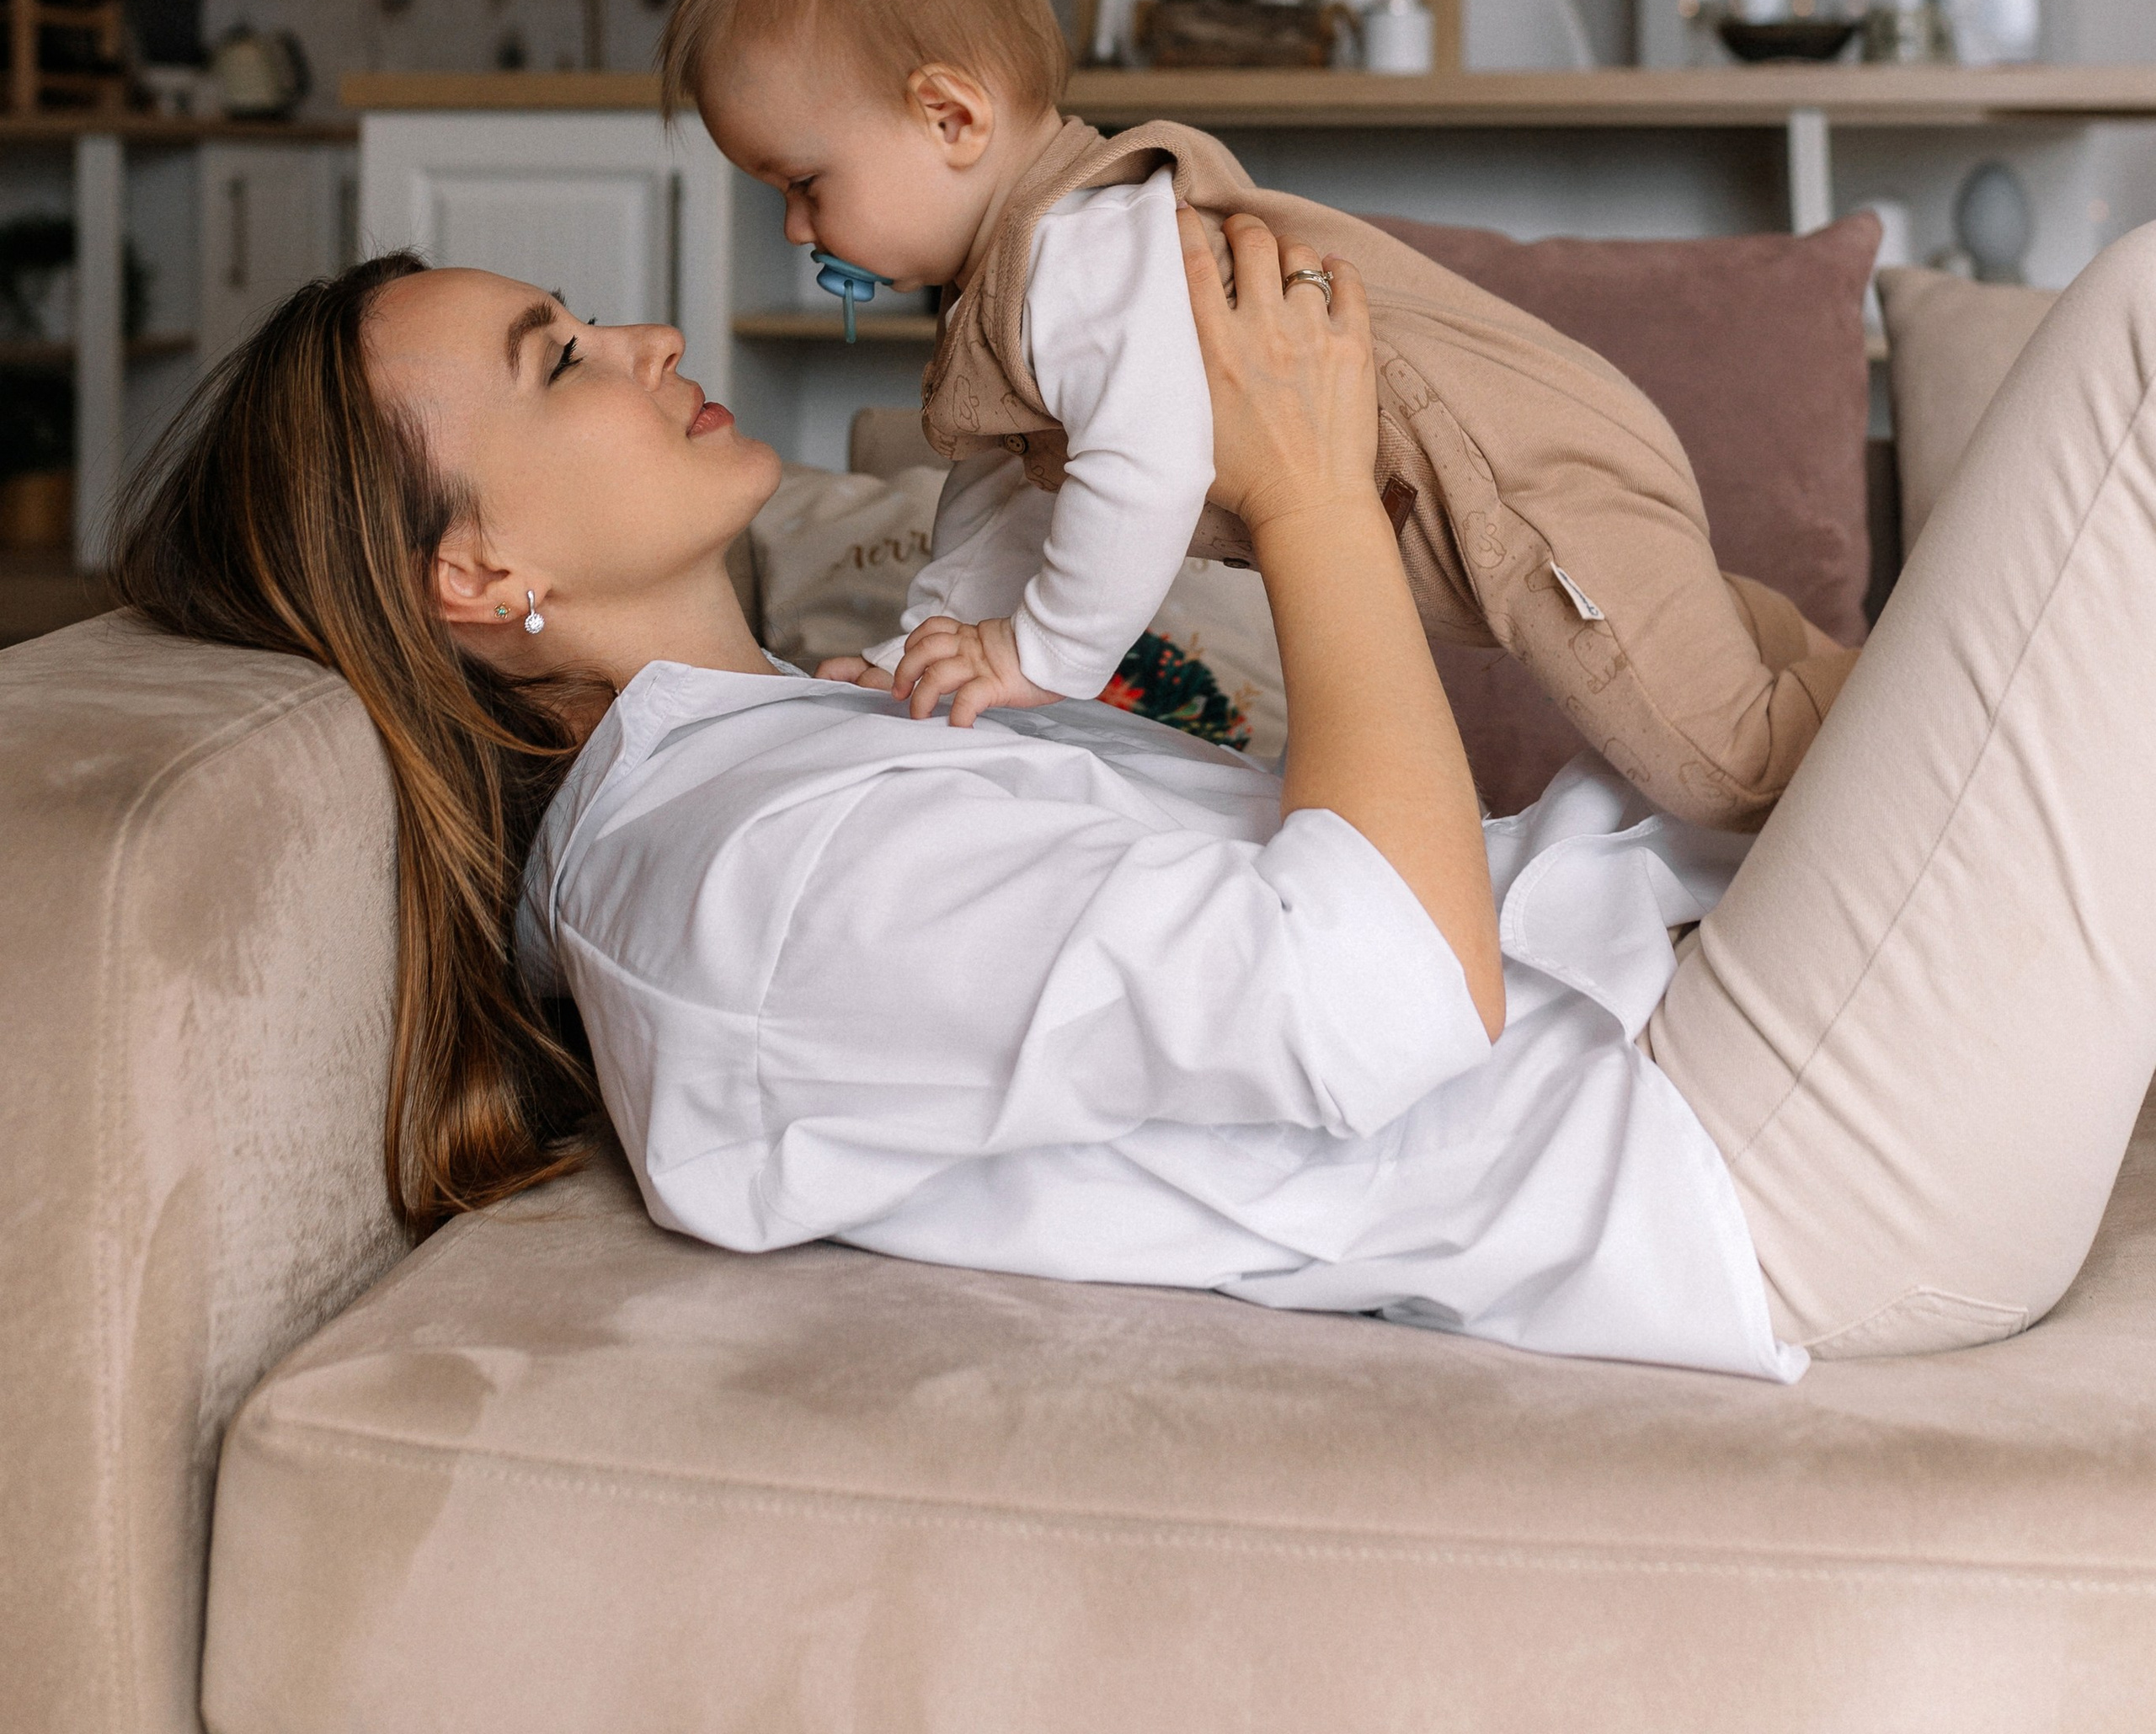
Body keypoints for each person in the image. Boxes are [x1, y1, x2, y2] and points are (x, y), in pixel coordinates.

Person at [109, 207, 2156, 1373]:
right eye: (558, 358)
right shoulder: (735, 886)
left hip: (1732, 982)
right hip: (1743, 1159)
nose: (643, 333)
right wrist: (1296, 477)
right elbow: (1377, 989)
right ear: (479, 579)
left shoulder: (825, 725)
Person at [672, 0, 1852, 829]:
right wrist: (925, 651)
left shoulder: (1081, 258)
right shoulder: (1034, 266)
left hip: (1527, 482)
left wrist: (1037, 656)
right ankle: (1772, 642)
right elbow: (1006, 498)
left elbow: (1144, 469)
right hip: (1557, 450)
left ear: (948, 116)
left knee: (1720, 769)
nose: (793, 228)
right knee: (1703, 656)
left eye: (803, 183)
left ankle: (1894, 716)